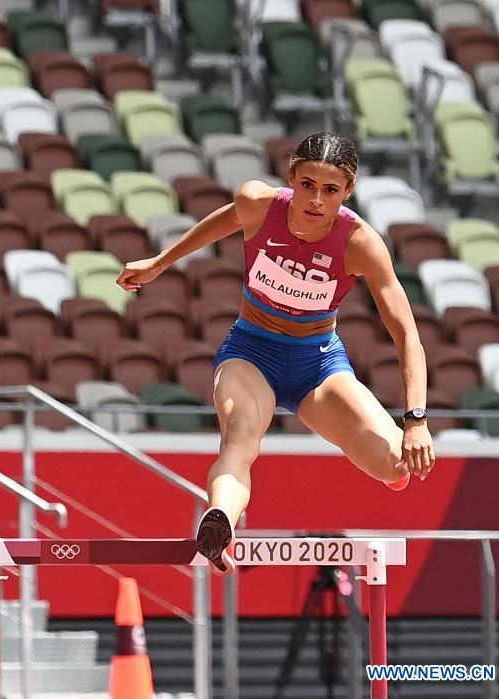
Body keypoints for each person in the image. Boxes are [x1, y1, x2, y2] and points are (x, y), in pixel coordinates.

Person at [116, 132, 435, 574]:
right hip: (251, 353)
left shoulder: (360, 243)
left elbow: (407, 335)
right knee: (240, 436)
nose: (316, 200)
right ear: (291, 179)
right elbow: (222, 221)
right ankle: (220, 521)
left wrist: (416, 420)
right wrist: (158, 263)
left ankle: (390, 469)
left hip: (318, 364)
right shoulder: (258, 204)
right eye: (307, 185)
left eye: (330, 190)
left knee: (397, 466)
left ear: (348, 191)